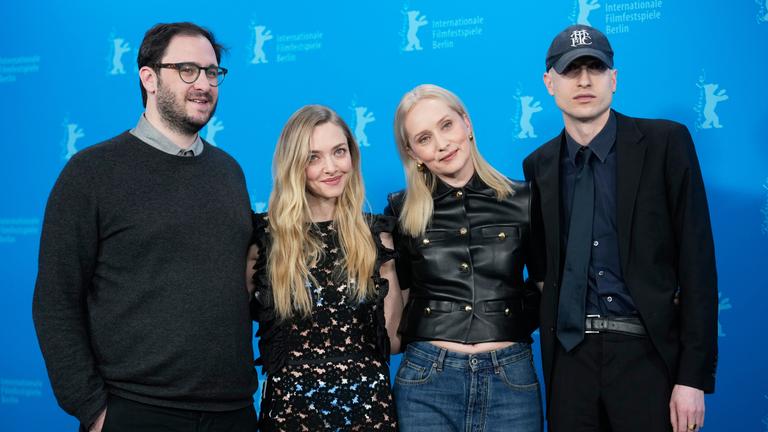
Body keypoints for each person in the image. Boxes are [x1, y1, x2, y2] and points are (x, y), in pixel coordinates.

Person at [32, 22, 258, 432]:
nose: (204, 83)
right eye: (187, 70)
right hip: (136, 411)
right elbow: (55, 302)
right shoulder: (91, 174)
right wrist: (95, 411)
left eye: (212, 72)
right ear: (149, 78)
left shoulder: (229, 173)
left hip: (233, 413)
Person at [522, 24, 718, 432]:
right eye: (571, 70)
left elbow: (698, 268)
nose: (584, 80)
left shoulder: (666, 144)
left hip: (646, 356)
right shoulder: (538, 166)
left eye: (595, 67)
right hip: (570, 360)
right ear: (549, 83)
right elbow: (542, 273)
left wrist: (691, 378)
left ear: (614, 78)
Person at [385, 84, 543, 431]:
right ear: (413, 153)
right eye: (424, 138)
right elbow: (402, 301)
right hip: (427, 381)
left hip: (511, 379)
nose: (442, 144)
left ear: (466, 124)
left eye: (447, 126)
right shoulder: (400, 212)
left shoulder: (525, 199)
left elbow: (547, 284)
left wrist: (508, 318)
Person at [248, 105, 400, 431]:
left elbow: (393, 340)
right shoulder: (264, 241)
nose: (330, 167)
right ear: (293, 165)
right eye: (313, 157)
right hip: (292, 415)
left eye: (339, 152)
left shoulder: (377, 235)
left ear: (352, 156)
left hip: (368, 412)